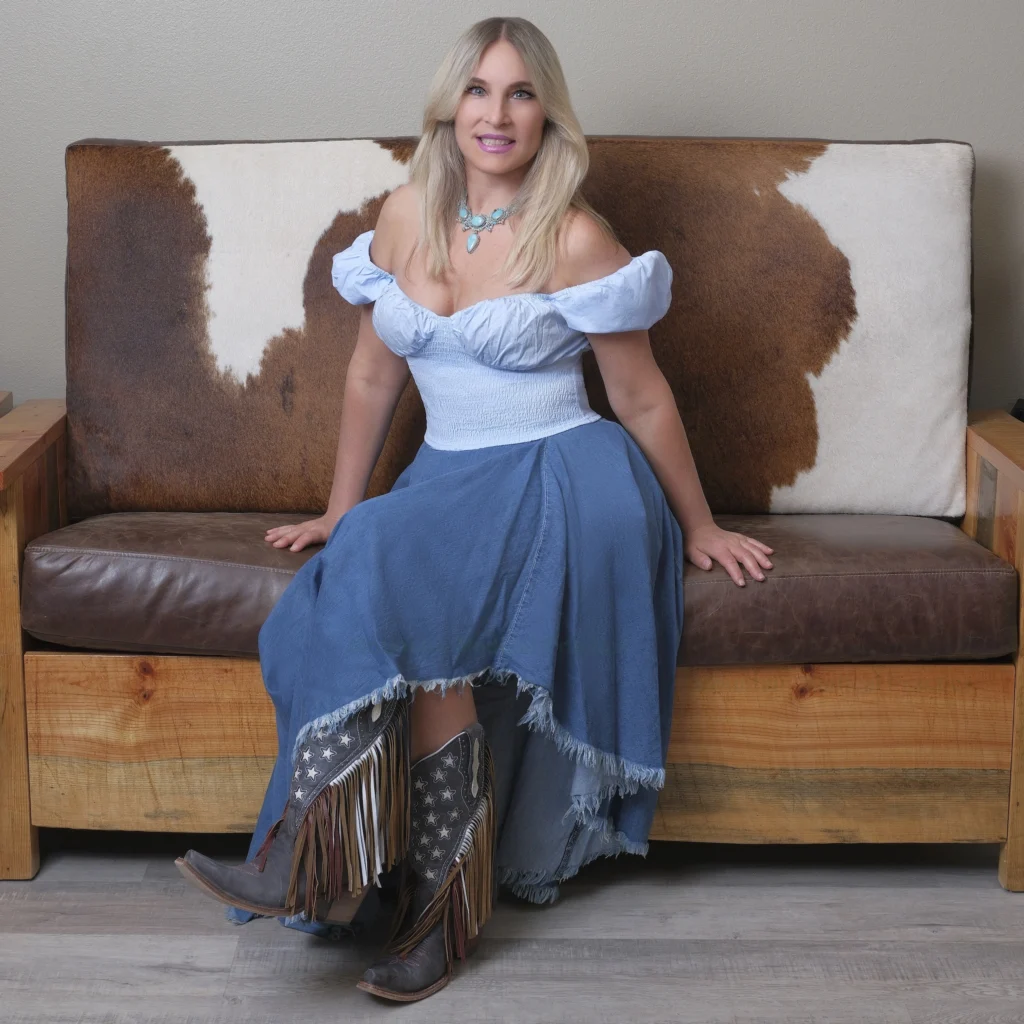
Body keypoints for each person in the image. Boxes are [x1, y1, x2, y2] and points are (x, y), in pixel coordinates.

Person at [176, 15, 773, 1003]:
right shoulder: (405, 214)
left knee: (404, 586)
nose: (497, 114)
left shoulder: (577, 236)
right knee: (361, 558)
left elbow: (640, 397)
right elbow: (374, 375)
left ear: (548, 115)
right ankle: (374, 877)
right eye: (479, 91)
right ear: (450, 107)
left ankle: (336, 866)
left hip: (565, 475)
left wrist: (700, 526)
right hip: (449, 477)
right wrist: (339, 506)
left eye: (521, 93)